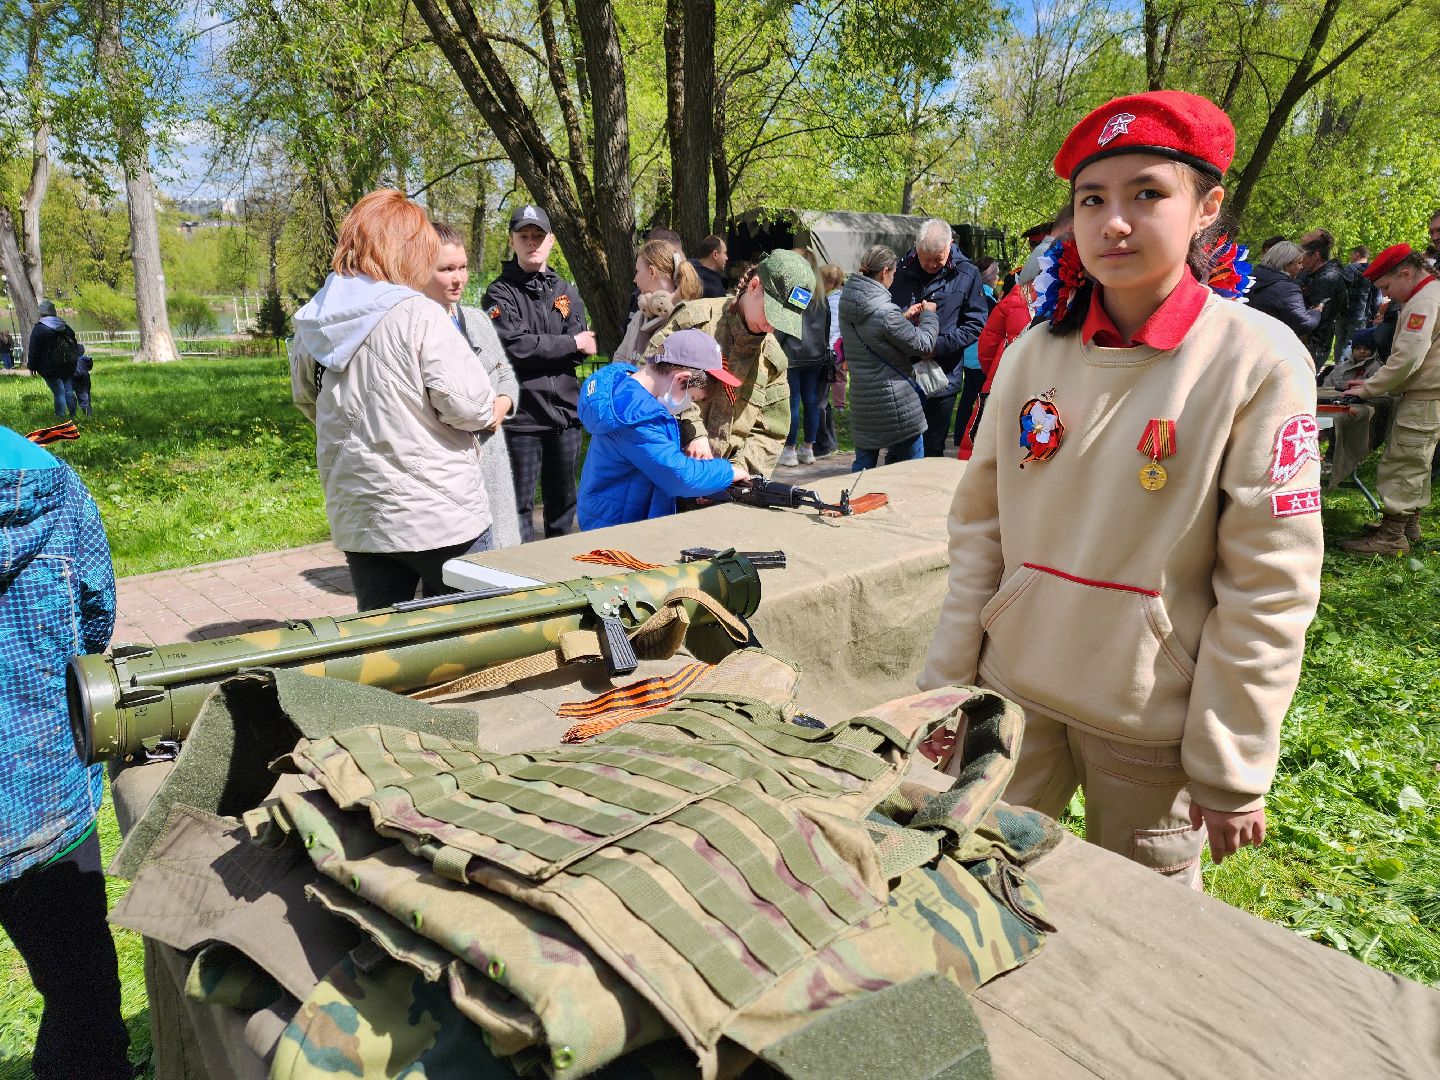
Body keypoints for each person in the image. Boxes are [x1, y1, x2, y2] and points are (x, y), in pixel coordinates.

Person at [920, 90, 1323, 889]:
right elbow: (980, 532)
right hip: (1012, 698)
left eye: (1148, 193)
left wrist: (1232, 761)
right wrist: (945, 690)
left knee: (1133, 937)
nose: (1114, 222)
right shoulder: (1034, 352)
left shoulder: (1257, 362)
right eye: (1091, 200)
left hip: (1147, 724)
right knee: (965, 881)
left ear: (1207, 207)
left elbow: (1269, 581)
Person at [291, 188, 497, 610]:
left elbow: (309, 401)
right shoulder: (418, 313)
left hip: (360, 510)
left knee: (382, 644)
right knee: (471, 638)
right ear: (407, 249)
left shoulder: (313, 318)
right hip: (440, 514)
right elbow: (470, 405)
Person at [0, 424, 132, 1080]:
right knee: (80, 997)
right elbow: (97, 619)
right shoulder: (52, 490)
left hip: (42, 806)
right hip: (41, 803)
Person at [643, 248, 814, 478]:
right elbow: (650, 377)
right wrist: (693, 431)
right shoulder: (694, 321)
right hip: (669, 475)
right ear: (754, 286)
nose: (773, 327)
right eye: (772, 313)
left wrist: (737, 470)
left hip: (724, 488)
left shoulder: (772, 361)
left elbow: (771, 431)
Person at [483, 205, 592, 541]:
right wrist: (568, 343)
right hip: (522, 420)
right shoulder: (499, 292)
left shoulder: (566, 290)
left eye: (538, 236)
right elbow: (513, 348)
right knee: (518, 509)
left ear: (551, 241)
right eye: (524, 236)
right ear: (512, 241)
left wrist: (557, 346)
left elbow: (584, 347)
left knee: (563, 506)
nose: (532, 243)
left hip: (564, 419)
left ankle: (560, 577)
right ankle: (523, 579)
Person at [577, 329, 745, 529]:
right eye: (693, 398)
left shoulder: (625, 388)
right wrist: (729, 472)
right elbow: (679, 477)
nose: (689, 405)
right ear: (681, 379)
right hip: (617, 528)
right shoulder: (636, 417)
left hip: (612, 513)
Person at [423, 220, 523, 550]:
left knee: (503, 559)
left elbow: (507, 376)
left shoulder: (477, 320)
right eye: (447, 269)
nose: (458, 279)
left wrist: (503, 403)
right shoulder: (416, 329)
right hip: (450, 469)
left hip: (493, 463)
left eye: (463, 267)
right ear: (422, 269)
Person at [1339, 243, 1440, 554]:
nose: (1386, 295)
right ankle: (1408, 524)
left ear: (1406, 274)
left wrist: (1369, 387)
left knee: (1403, 462)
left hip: (1425, 394)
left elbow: (1408, 357)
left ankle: (1392, 536)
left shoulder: (1423, 301)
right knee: (1417, 461)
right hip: (1428, 393)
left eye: (1386, 286)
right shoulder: (1429, 293)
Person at [890, 220, 991, 457]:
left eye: (939, 258)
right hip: (901, 372)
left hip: (942, 375)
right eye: (927, 258)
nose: (932, 265)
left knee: (933, 446)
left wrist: (937, 347)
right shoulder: (898, 270)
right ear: (916, 246)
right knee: (900, 446)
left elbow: (976, 323)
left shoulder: (968, 273)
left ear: (950, 245)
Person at [840, 244, 939, 470]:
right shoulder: (885, 311)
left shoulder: (848, 303)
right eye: (893, 273)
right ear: (885, 271)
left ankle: (852, 505)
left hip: (863, 403)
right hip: (896, 406)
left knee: (863, 469)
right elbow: (924, 344)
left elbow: (872, 331)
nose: (894, 278)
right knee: (910, 472)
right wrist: (929, 316)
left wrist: (902, 317)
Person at [958, 276, 1035, 460]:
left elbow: (987, 345)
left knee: (985, 444)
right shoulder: (1069, 294)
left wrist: (991, 373)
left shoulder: (1014, 297)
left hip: (1002, 377)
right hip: (1044, 385)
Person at [777, 248, 830, 466]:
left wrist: (774, 344)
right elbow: (826, 327)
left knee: (793, 403)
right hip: (815, 355)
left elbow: (785, 325)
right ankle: (808, 448)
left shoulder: (798, 293)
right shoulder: (820, 295)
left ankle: (790, 449)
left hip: (794, 354)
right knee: (811, 402)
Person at [614, 238, 703, 365]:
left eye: (638, 271)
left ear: (652, 272)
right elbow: (619, 358)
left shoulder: (686, 319)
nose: (635, 279)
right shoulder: (640, 315)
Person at [1246, 240, 1322, 341]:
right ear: (1287, 265)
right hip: (1269, 344)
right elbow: (1304, 324)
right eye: (1299, 263)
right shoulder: (1288, 290)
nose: (1301, 267)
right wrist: (1315, 312)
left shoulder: (1249, 277)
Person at [1298, 232, 1348, 371]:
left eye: (1303, 257)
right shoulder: (1310, 275)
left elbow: (1321, 317)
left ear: (1316, 256)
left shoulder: (1328, 279)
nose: (1300, 261)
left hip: (1315, 342)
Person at [26, 300, 81, 420]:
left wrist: (32, 366)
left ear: (41, 313)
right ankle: (73, 415)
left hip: (49, 367)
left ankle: (60, 417)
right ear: (54, 312)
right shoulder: (65, 326)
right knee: (68, 390)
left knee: (58, 392)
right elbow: (74, 343)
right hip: (67, 364)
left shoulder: (39, 329)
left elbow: (34, 350)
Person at [72, 351, 94, 417]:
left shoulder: (72, 359)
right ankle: (88, 412)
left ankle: (86, 413)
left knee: (80, 394)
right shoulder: (86, 359)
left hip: (75, 379)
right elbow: (90, 366)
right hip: (85, 379)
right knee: (85, 394)